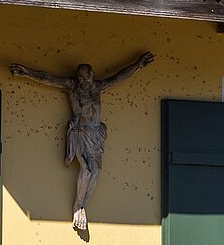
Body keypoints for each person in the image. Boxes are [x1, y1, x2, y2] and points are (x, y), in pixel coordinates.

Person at [9, 52, 155, 231]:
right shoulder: (72, 87)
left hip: (95, 134)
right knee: (85, 169)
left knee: (96, 170)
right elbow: (48, 78)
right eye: (81, 77)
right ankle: (78, 206)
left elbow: (119, 77)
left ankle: (83, 203)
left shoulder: (98, 87)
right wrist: (26, 72)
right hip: (79, 133)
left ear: (92, 75)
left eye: (88, 76)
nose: (85, 80)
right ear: (77, 78)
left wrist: (139, 64)